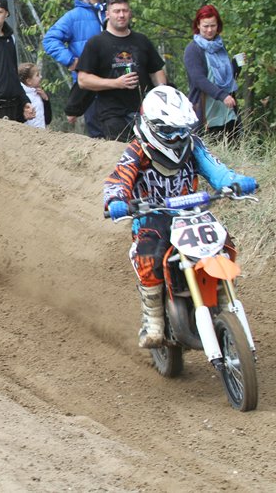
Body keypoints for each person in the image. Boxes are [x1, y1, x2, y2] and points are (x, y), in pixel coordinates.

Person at [103, 85, 257, 348]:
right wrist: (117, 201)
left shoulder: (193, 145)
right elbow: (119, 179)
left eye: (182, 129)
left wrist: (235, 181)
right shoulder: (137, 151)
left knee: (225, 244)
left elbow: (217, 171)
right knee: (149, 255)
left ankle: (223, 300)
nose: (176, 137)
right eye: (169, 131)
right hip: (152, 217)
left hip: (192, 213)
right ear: (151, 126)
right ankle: (153, 319)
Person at [76, 0, 166, 141]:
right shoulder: (96, 43)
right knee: (123, 151)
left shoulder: (142, 40)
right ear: (108, 14)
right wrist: (116, 83)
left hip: (145, 111)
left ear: (130, 13)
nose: (121, 15)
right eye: (117, 11)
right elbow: (83, 80)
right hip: (112, 114)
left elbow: (156, 70)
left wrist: (162, 92)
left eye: (124, 11)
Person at [42, 0, 108, 137]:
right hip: (90, 85)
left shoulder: (114, 12)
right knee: (98, 136)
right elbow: (49, 40)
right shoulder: (74, 16)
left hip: (116, 82)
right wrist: (71, 60)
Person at [183, 4, 241, 140]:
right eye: (205, 26)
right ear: (198, 25)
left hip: (227, 113)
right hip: (206, 115)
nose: (209, 30)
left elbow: (226, 78)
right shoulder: (193, 49)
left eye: (213, 26)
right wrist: (222, 96)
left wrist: (236, 65)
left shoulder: (220, 47)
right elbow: (199, 80)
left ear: (218, 26)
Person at [19, 62, 52, 129]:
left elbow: (48, 119)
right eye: (37, 75)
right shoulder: (21, 97)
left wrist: (46, 100)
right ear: (29, 81)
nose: (41, 77)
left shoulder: (39, 94)